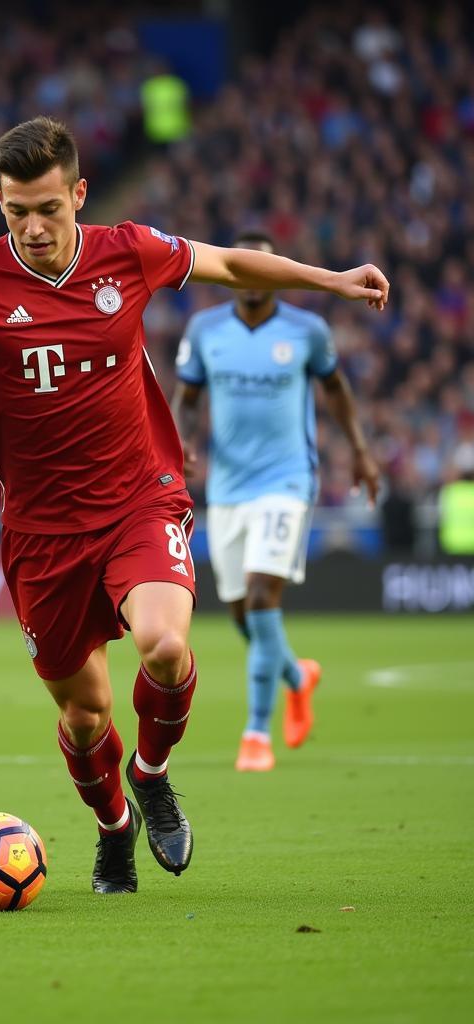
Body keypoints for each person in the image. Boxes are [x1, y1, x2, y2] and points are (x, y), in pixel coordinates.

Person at [0, 116, 389, 896]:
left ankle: (151, 775)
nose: (33, 227)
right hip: (41, 531)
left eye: (48, 208)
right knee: (84, 717)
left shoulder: (129, 250)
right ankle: (113, 828)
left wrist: (329, 281)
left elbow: (225, 262)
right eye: (16, 211)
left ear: (79, 194)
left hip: (137, 499)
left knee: (163, 645)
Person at [171, 228, 379, 773]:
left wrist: (359, 451)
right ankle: (296, 675)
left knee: (264, 597)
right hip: (229, 487)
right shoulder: (206, 329)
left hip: (287, 481)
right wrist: (181, 441)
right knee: (242, 614)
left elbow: (336, 391)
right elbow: (186, 397)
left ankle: (256, 733)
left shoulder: (307, 331)